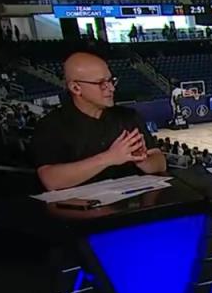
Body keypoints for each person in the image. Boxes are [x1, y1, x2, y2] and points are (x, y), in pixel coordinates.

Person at [30, 52, 166, 190]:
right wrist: (109, 158)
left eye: (111, 81)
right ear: (76, 88)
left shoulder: (128, 117)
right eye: (101, 83)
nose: (111, 88)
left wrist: (142, 160)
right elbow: (51, 180)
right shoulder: (51, 125)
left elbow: (160, 163)